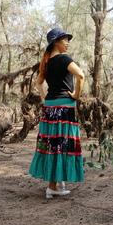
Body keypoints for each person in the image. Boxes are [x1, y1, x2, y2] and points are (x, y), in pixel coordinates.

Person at [28, 28, 85, 199]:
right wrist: (76, 94)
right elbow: (81, 75)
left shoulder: (46, 62)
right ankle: (53, 186)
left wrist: (46, 98)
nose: (67, 43)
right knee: (62, 143)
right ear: (55, 42)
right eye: (65, 40)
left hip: (50, 107)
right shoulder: (64, 59)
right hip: (64, 106)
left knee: (52, 144)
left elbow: (38, 84)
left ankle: (55, 183)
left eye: (68, 39)